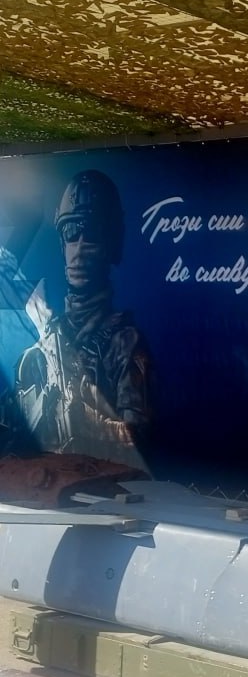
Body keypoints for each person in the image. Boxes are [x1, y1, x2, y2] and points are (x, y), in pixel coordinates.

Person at [13, 170, 152, 462]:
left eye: (92, 236)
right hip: (49, 478)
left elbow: (138, 436)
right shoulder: (47, 339)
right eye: (71, 234)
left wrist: (88, 419)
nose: (78, 250)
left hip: (105, 479)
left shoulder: (124, 342)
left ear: (110, 245)